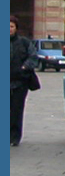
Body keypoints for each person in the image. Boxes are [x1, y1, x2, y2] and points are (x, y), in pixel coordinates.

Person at [10, 15, 39, 146]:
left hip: (20, 82)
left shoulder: (24, 42)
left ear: (16, 28)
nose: (9, 29)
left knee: (17, 109)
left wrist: (24, 67)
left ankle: (14, 137)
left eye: (11, 26)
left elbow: (33, 57)